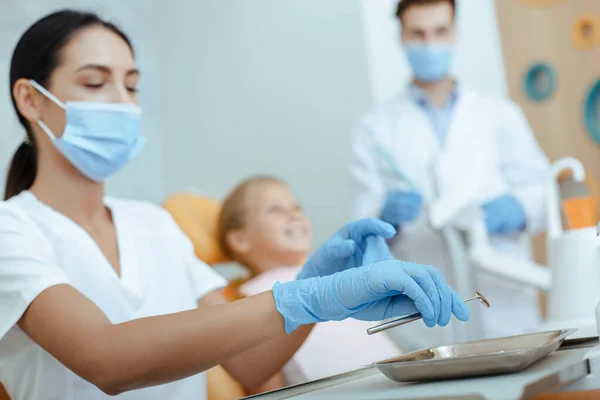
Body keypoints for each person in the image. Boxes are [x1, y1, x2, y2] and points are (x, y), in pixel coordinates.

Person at [0, 10, 470, 400]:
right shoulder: (13, 231)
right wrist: (303, 297)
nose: (123, 103)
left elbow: (247, 365)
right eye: (95, 83)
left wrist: (314, 288)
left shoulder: (155, 224)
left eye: (132, 85)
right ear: (31, 100)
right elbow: (105, 360)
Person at [350, 0, 550, 351]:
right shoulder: (376, 129)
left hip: (504, 303)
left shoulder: (499, 114)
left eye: (439, 31)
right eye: (418, 33)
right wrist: (385, 219)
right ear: (401, 37)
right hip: (425, 323)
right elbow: (361, 234)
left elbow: (543, 194)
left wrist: (512, 210)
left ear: (455, 33)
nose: (429, 43)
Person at [218, 176, 402, 390]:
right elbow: (262, 378)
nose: (294, 214)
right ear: (241, 240)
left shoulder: (327, 281)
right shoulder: (251, 298)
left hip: (396, 383)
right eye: (275, 210)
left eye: (297, 207)